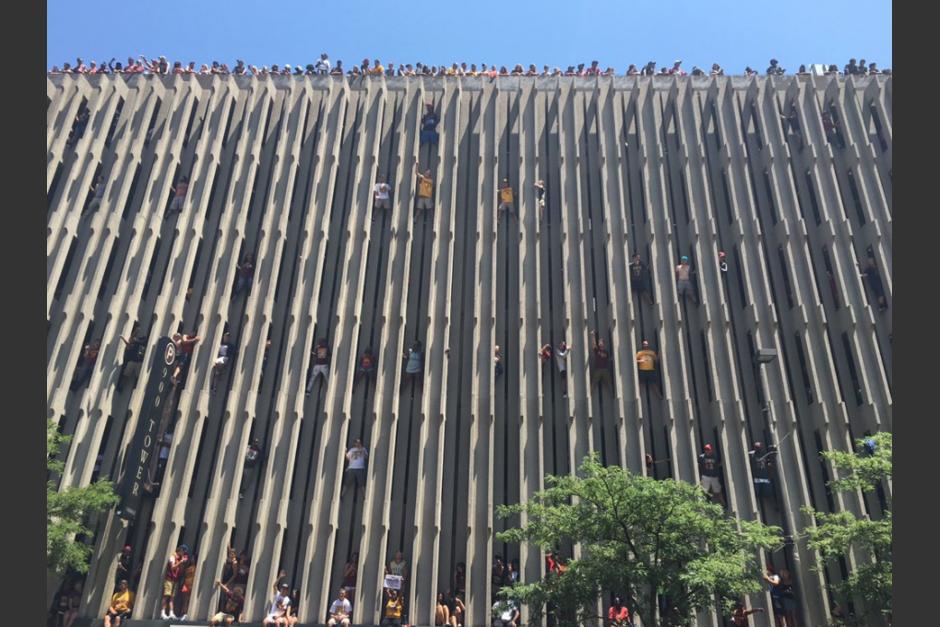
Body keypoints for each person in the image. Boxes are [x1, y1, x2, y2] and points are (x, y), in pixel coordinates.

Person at [160, 546, 187, 620]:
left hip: (175, 580)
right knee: (166, 596)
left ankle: (171, 613)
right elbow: (172, 567)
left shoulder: (179, 559)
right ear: (180, 550)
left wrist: (182, 564)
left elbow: (180, 571)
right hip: (169, 579)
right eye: (183, 551)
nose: (183, 553)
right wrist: (180, 562)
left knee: (172, 597)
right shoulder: (173, 557)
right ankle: (163, 613)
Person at [177, 553, 197, 620]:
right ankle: (183, 613)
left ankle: (186, 614)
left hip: (191, 584)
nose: (192, 560)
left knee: (188, 600)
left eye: (193, 558)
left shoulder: (196, 567)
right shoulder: (188, 567)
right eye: (191, 558)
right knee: (184, 600)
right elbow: (183, 573)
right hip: (186, 584)